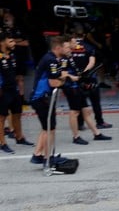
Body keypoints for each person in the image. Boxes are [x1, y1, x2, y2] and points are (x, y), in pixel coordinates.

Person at [61, 33, 112, 145]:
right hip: (71, 87)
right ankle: (76, 136)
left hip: (78, 85)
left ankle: (96, 134)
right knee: (74, 112)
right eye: (74, 42)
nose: (77, 44)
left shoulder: (70, 55)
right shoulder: (64, 57)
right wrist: (73, 77)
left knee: (86, 110)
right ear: (68, 43)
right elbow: (63, 73)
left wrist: (82, 77)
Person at [28, 35, 72, 166]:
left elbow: (60, 76)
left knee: (46, 128)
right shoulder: (50, 60)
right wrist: (65, 79)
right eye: (66, 47)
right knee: (50, 129)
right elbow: (54, 82)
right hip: (41, 98)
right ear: (58, 48)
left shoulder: (54, 59)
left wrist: (63, 77)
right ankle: (48, 159)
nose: (68, 49)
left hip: (43, 98)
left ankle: (37, 155)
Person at [70, 27, 113, 131]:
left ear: (74, 36)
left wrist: (77, 74)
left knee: (80, 102)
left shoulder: (70, 48)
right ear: (84, 36)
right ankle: (99, 122)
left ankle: (80, 124)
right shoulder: (89, 47)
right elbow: (92, 62)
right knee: (95, 101)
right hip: (89, 78)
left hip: (76, 78)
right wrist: (85, 72)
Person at [0, 32, 33, 150]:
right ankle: (2, 143)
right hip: (3, 91)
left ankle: (19, 137)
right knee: (2, 117)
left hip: (13, 89)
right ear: (2, 42)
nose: (14, 43)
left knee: (17, 114)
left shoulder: (13, 55)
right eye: (10, 41)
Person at [1, 11, 30, 102]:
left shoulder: (19, 28)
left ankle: (21, 98)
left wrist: (14, 42)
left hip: (19, 57)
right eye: (5, 17)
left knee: (20, 78)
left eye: (9, 16)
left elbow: (26, 42)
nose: (7, 18)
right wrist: (17, 41)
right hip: (5, 57)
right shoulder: (2, 30)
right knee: (8, 78)